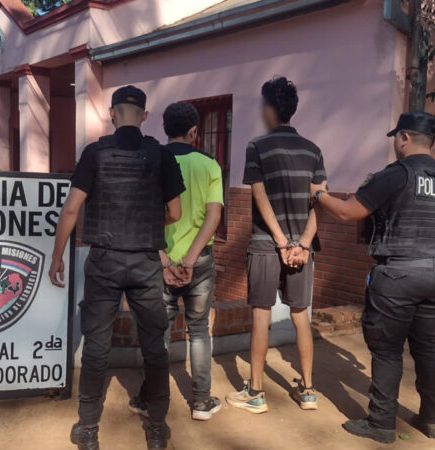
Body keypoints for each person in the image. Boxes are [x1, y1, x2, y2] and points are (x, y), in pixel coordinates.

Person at [310, 112, 435, 444]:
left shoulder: (396, 175)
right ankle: (433, 420)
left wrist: (318, 195)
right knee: (430, 349)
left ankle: (381, 424)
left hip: (398, 274)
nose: (396, 144)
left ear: (404, 138)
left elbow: (347, 212)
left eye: (396, 138)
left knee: (387, 350)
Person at [48, 85, 185, 450]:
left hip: (105, 261)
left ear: (111, 113)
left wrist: (57, 255)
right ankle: (158, 428)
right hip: (145, 262)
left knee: (96, 346)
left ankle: (87, 428)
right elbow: (175, 213)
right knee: (155, 347)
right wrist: (147, 226)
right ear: (144, 116)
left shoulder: (94, 153)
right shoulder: (161, 155)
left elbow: (72, 208)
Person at [225, 76, 325, 413]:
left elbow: (259, 195)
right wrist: (303, 244)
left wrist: (281, 242)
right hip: (301, 248)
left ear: (269, 109)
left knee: (260, 316)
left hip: (266, 243)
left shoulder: (257, 146)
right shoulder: (313, 150)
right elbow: (320, 201)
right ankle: (308, 391)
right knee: (301, 316)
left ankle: (255, 393)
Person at [129, 102, 224, 421]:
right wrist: (191, 260)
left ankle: (149, 400)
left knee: (158, 333)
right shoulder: (210, 165)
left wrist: (165, 260)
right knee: (198, 330)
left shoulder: (151, 161)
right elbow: (214, 217)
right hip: (200, 263)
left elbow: (142, 216)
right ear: (194, 131)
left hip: (160, 261)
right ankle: (201, 402)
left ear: (165, 129)